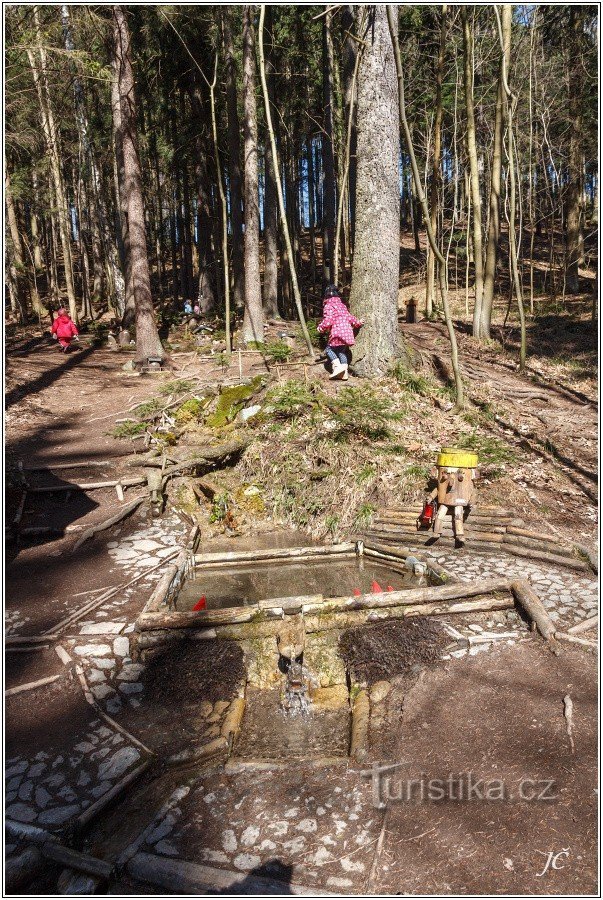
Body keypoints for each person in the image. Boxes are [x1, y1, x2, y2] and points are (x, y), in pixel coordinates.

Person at [317, 284, 363, 380]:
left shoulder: (328, 305)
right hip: (347, 332)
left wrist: (321, 327)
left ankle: (337, 367)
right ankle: (344, 373)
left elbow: (328, 320)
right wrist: (358, 322)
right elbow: (349, 317)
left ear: (326, 296)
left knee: (329, 350)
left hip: (337, 332)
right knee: (341, 352)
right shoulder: (342, 306)